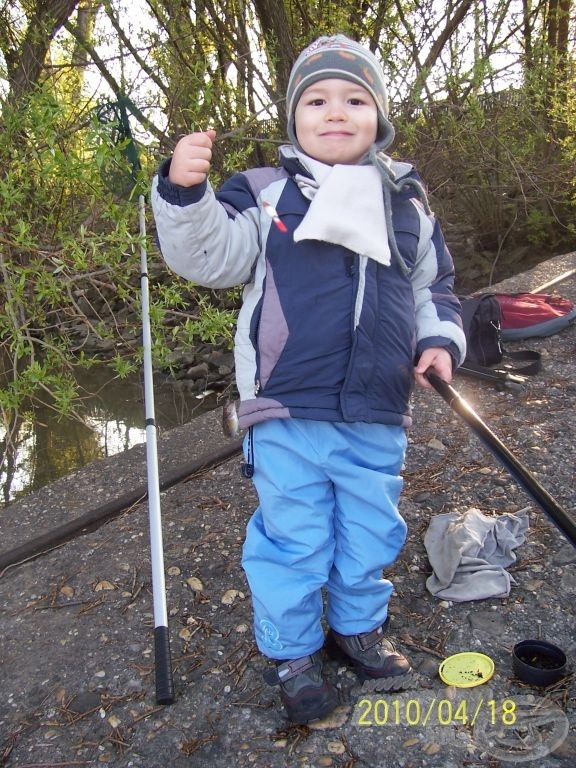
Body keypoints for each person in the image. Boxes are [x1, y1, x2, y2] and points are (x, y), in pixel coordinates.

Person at [151, 34, 466, 724]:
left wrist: (441, 340)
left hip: (377, 410)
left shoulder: (407, 206)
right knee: (293, 536)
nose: (335, 112)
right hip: (286, 412)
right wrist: (184, 189)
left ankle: (358, 628)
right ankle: (292, 652)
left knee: (369, 530)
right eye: (316, 99)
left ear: (378, 117)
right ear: (294, 116)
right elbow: (207, 254)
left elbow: (433, 287)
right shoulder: (264, 194)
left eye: (354, 99)